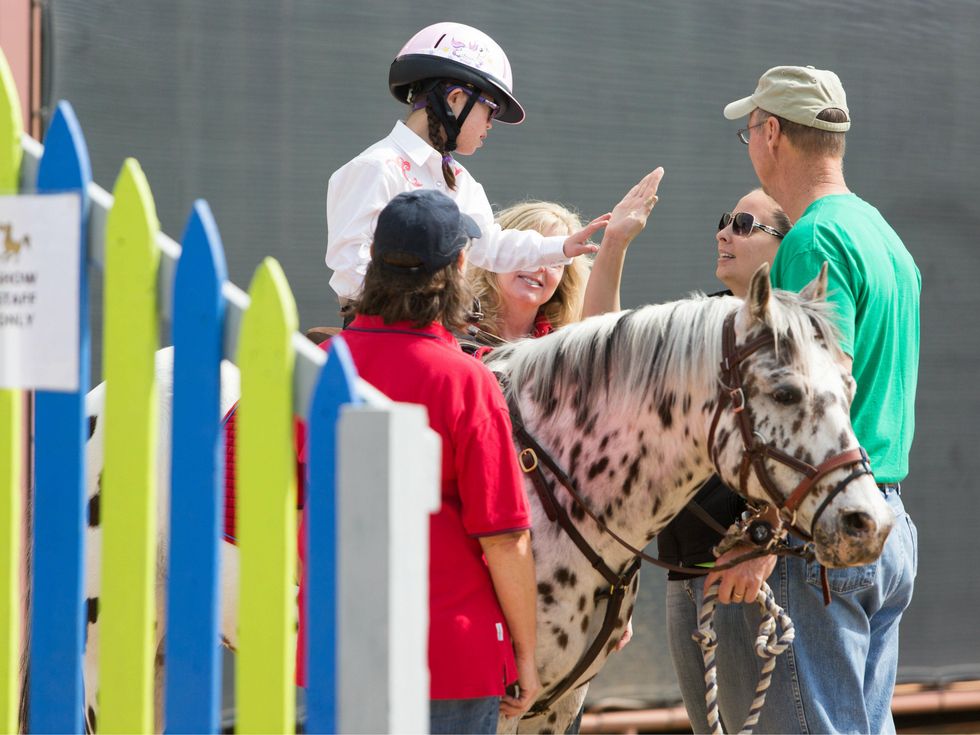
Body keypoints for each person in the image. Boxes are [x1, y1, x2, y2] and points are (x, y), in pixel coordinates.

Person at [692, 65, 920, 734]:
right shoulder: (884, 237)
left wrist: (769, 533)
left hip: (821, 531)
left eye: (748, 133)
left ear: (769, 133)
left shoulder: (811, 239)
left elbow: (816, 401)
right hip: (887, 519)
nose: (750, 145)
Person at [297, 189, 541, 733]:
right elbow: (503, 538)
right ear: (458, 265)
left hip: (337, 646)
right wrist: (525, 654)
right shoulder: (467, 381)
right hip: (450, 656)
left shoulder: (318, 368)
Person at [325, 22, 610, 306]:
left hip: (435, 332)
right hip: (381, 334)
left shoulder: (461, 180)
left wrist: (561, 247)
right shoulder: (376, 167)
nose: (491, 124)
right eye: (491, 110)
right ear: (455, 99)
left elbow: (490, 246)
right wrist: (419, 311)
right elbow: (350, 266)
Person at [658, 188, 794, 734]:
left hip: (744, 573)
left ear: (785, 246)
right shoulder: (703, 320)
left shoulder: (789, 333)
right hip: (681, 566)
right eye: (723, 222)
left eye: (743, 224)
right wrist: (616, 244)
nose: (723, 233)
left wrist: (764, 543)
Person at [465, 167, 663, 348]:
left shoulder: (563, 347)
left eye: (554, 260)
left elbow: (605, 351)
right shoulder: (453, 329)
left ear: (564, 280)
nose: (539, 266)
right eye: (529, 251)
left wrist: (615, 241)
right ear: (496, 251)